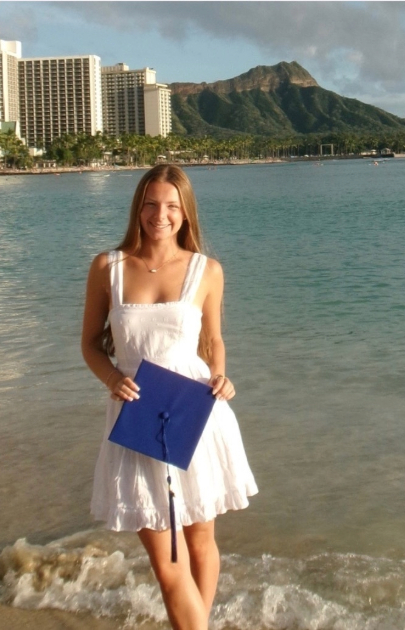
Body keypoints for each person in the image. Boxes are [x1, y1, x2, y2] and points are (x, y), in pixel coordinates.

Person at [81, 164, 257, 630]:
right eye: (151, 204)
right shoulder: (108, 267)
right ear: (138, 208)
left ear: (185, 212)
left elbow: (214, 341)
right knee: (167, 562)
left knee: (199, 543)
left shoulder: (207, 270)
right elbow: (90, 345)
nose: (160, 215)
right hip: (136, 415)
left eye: (172, 206)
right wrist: (111, 378)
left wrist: (220, 377)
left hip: (194, 410)